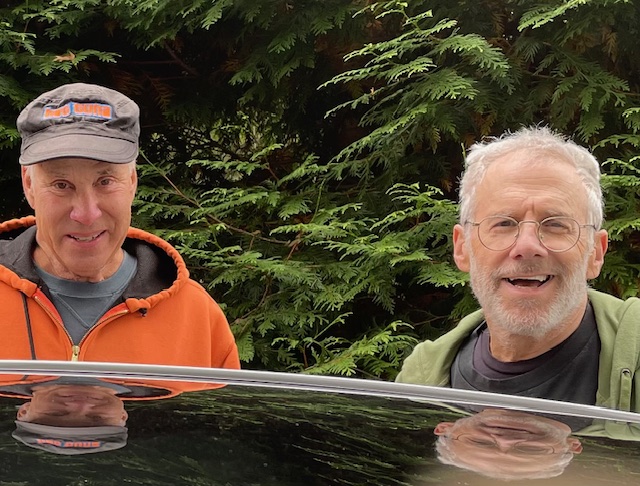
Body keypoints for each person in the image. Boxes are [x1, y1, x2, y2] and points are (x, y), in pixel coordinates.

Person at [396, 126, 640, 413]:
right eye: (503, 223)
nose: (527, 246)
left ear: (595, 253)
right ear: (462, 248)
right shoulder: (421, 381)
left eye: (555, 224)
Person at [0, 82, 240, 368]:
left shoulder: (197, 317)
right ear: (29, 184)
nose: (86, 214)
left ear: (132, 182)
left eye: (105, 181)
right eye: (61, 184)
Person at [434, 408, 582, 480]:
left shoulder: (432, 384)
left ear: (446, 428)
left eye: (480, 442)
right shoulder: (597, 415)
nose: (506, 440)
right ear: (572, 445)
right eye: (530, 450)